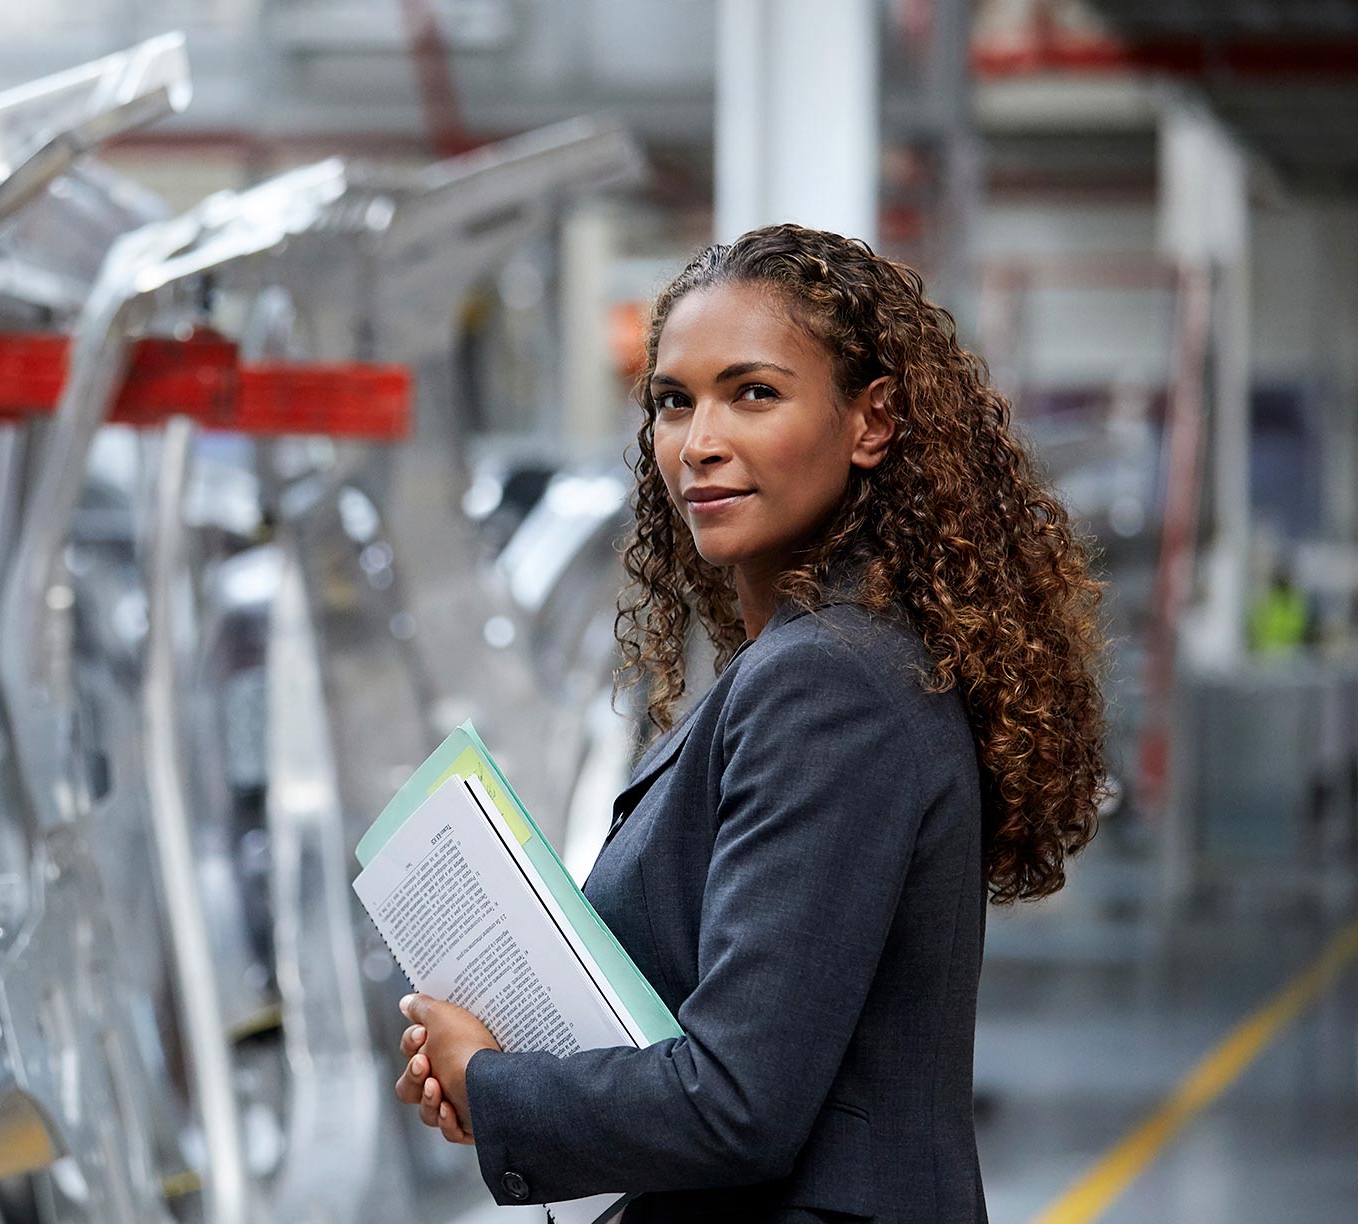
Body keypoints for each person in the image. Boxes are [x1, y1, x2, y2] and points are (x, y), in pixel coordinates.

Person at [390, 224, 1107, 1222]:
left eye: (752, 392)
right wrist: (502, 1077)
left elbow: (739, 1103)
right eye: (673, 403)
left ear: (872, 421)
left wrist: (498, 1087)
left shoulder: (828, 683)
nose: (700, 441)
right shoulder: (825, 660)